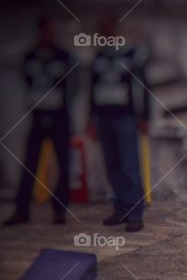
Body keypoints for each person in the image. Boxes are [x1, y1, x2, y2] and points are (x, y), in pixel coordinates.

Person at [5, 18, 77, 227]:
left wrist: (64, 106)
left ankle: (60, 210)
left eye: (53, 32)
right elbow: (26, 80)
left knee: (63, 165)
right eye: (47, 31)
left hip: (60, 118)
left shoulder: (64, 56)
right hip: (37, 118)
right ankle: (21, 210)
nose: (50, 35)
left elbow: (73, 86)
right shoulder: (29, 57)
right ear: (40, 32)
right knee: (29, 164)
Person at [87, 14, 150, 233]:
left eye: (108, 28)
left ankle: (135, 214)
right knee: (112, 167)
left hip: (125, 118)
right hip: (104, 119)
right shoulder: (98, 57)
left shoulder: (131, 55)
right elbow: (91, 91)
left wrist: (145, 116)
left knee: (129, 166)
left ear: (115, 28)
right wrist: (90, 120)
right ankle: (120, 208)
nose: (105, 33)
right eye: (102, 29)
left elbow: (143, 87)